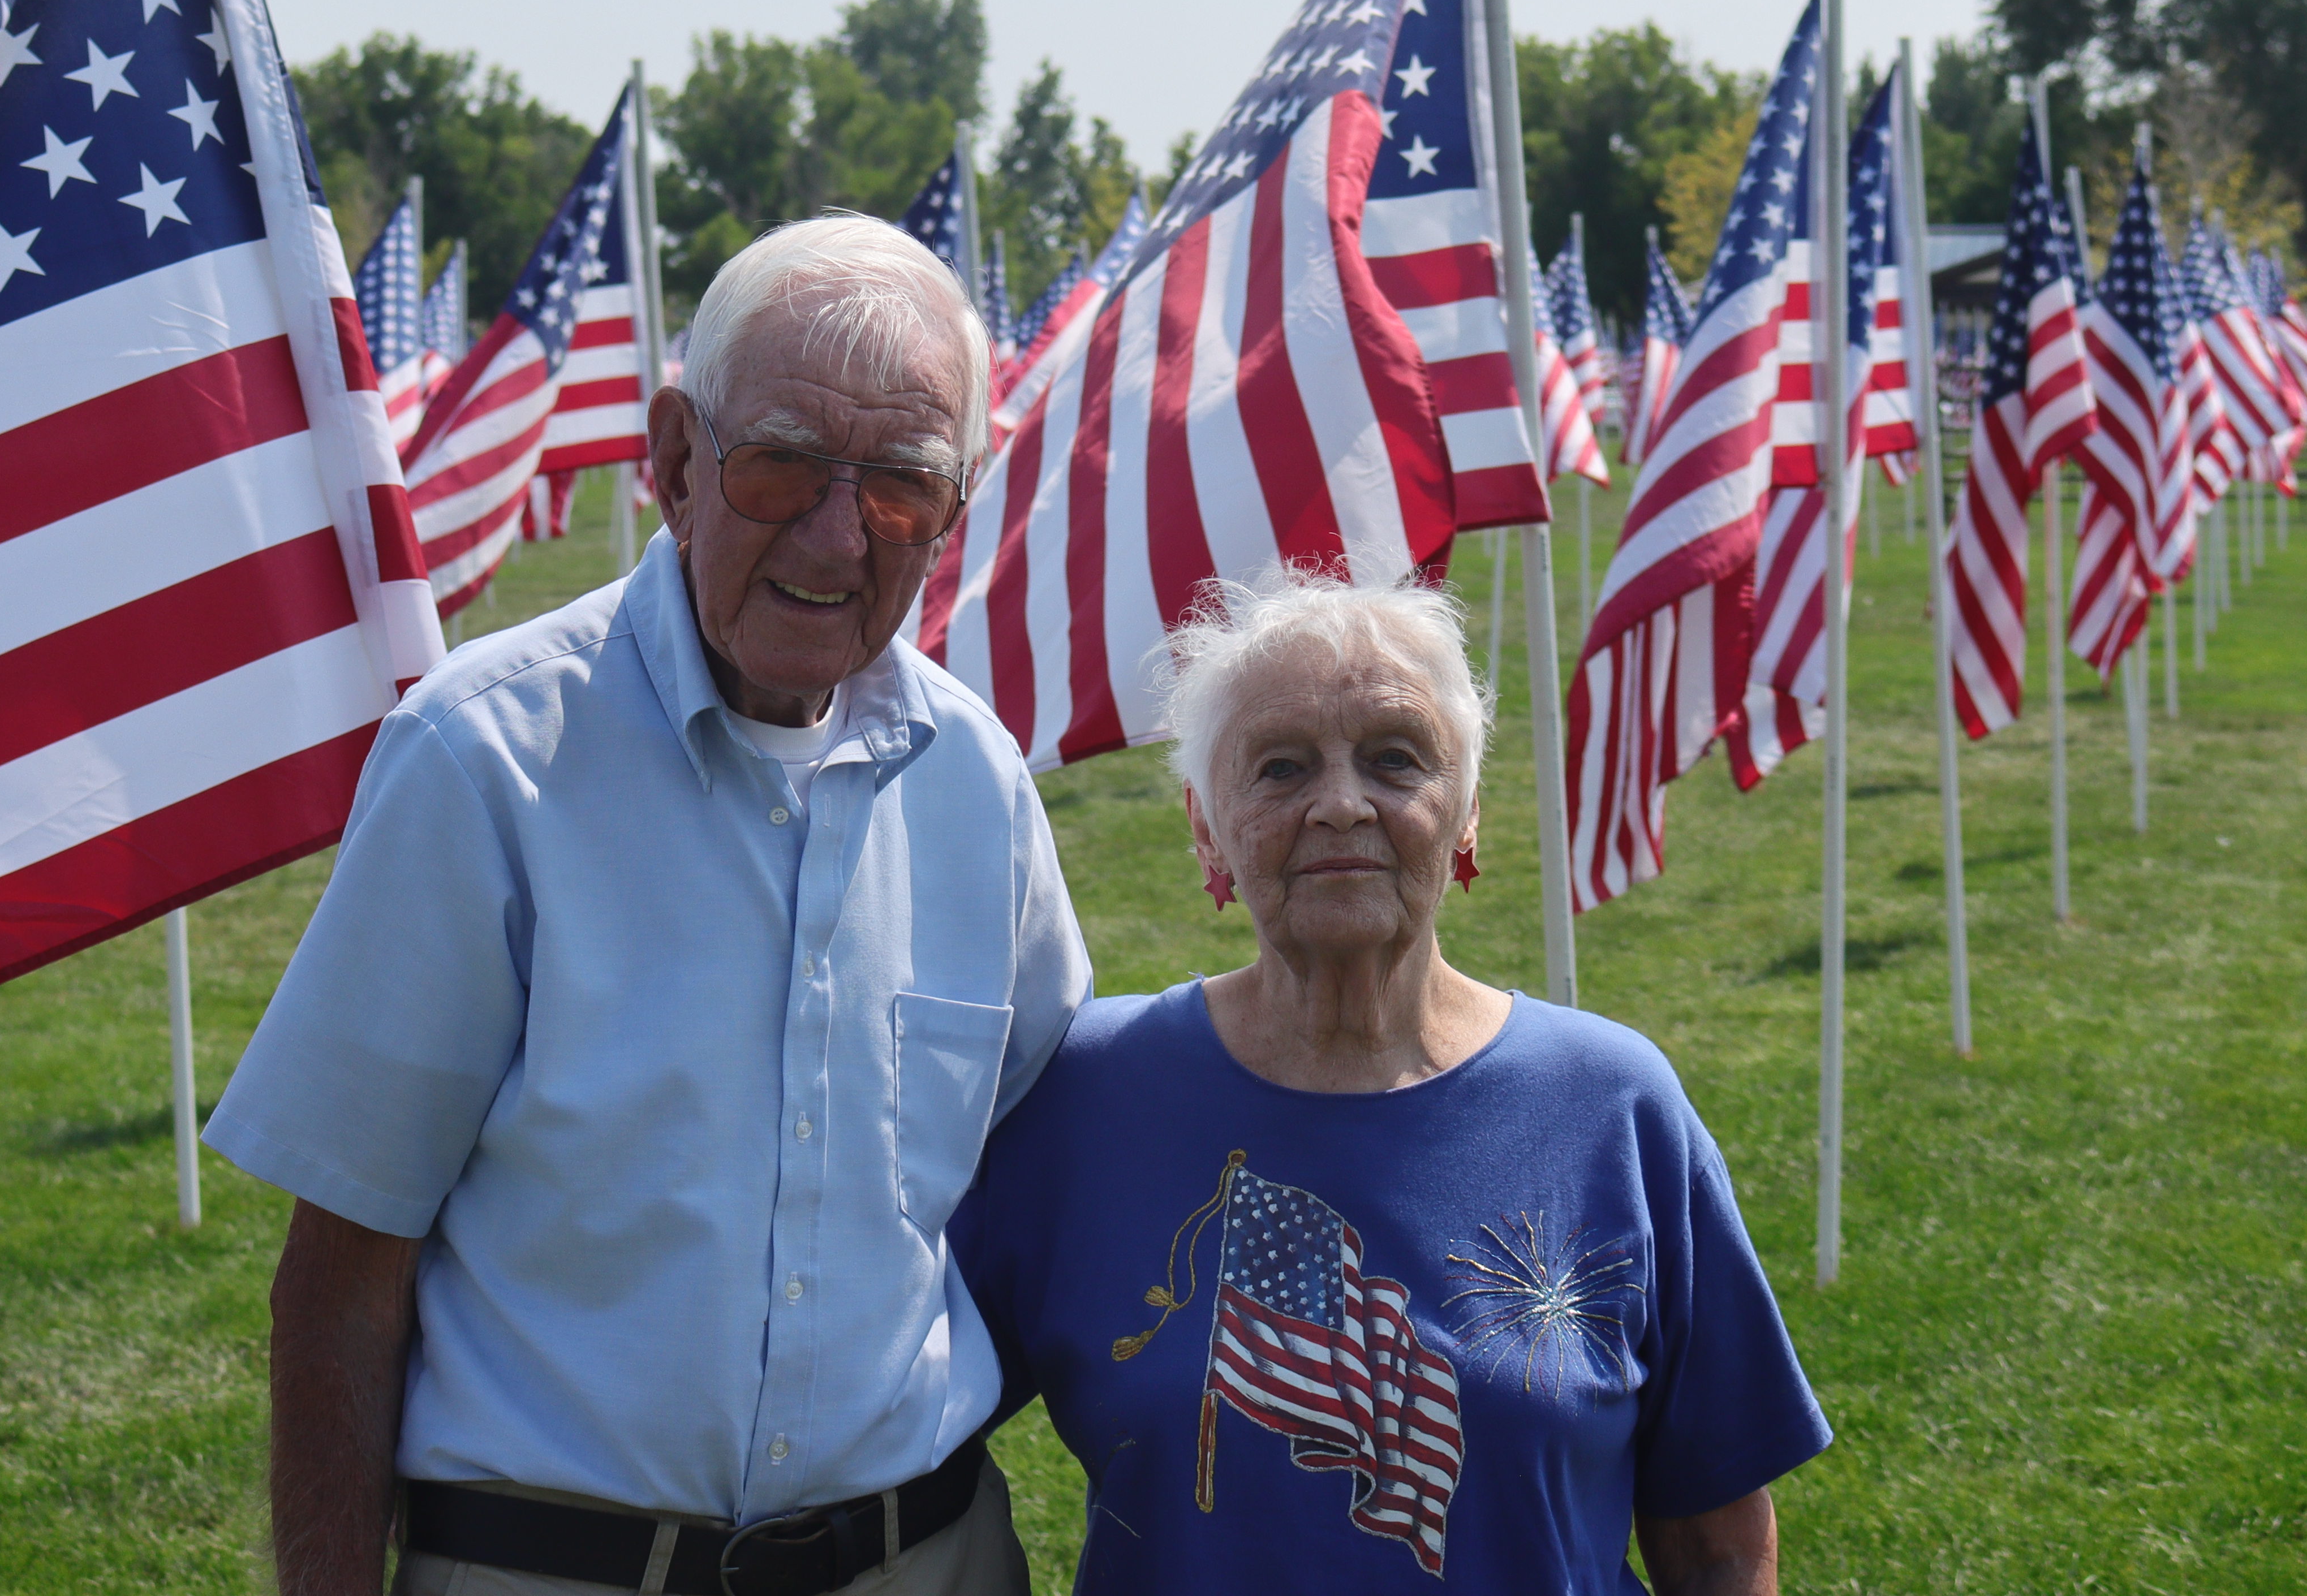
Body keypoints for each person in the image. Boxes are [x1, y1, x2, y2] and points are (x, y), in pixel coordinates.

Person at [208, 215, 1090, 1596]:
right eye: (784, 461)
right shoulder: (484, 757)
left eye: (903, 484)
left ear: (959, 504)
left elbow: (1036, 1175)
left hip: (926, 1557)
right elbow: (342, 1276)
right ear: (677, 459)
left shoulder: (976, 781)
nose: (839, 533)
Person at [950, 574, 1826, 1594]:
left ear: (1466, 816)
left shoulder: (1614, 1107)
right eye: (1280, 768)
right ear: (1206, 827)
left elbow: (1718, 1545)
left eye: (1395, 760)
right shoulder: (1087, 1097)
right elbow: (895, 1418)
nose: (1341, 804)